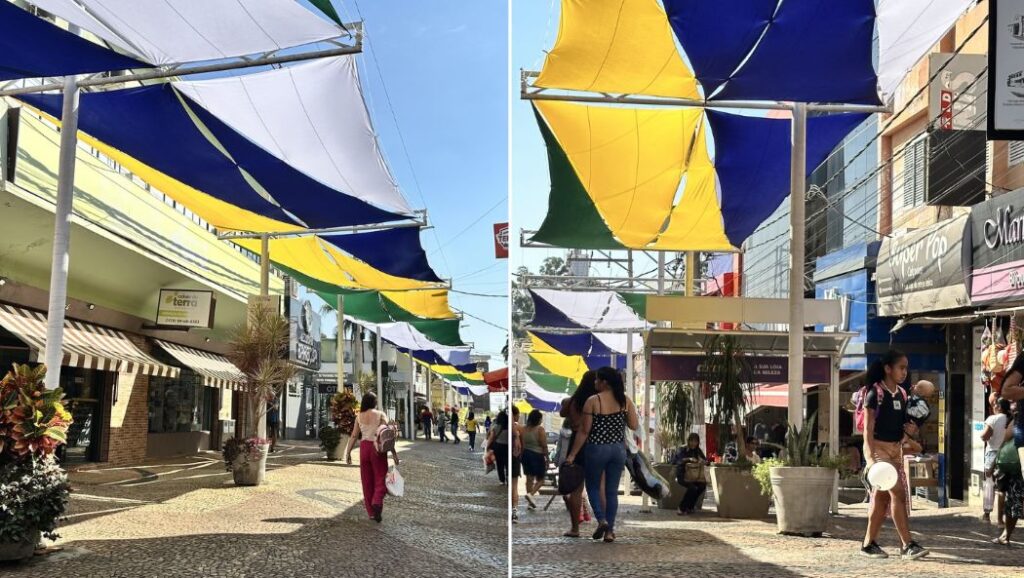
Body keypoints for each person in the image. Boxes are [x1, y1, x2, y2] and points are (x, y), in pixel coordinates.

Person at [860, 349, 929, 560]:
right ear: (888, 369)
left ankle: (868, 544)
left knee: (881, 499)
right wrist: (870, 459)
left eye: (906, 368)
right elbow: (868, 430)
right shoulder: (875, 394)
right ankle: (907, 544)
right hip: (879, 450)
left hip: (896, 450)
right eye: (901, 367)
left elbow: (902, 424)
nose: (904, 372)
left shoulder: (903, 394)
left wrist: (909, 430)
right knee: (898, 493)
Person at [565, 367, 639, 544]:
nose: (595, 382)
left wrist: (572, 455)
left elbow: (584, 431)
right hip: (618, 450)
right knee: (611, 491)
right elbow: (634, 425)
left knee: (593, 487)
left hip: (597, 448)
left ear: (605, 382)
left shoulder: (593, 400)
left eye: (597, 380)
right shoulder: (625, 400)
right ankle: (610, 532)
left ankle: (602, 520)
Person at [344, 392, 400, 523]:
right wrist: (394, 454)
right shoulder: (381, 415)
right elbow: (387, 436)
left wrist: (348, 452)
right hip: (377, 448)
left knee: (366, 481)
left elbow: (354, 435)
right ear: (374, 402)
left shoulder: (359, 416)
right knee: (381, 477)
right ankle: (377, 501)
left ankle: (371, 513)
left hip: (364, 448)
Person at [559, 370, 597, 538]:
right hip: (595, 442)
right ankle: (604, 524)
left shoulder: (572, 402)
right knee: (599, 487)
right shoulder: (597, 402)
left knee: (576, 489)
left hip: (576, 444)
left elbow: (562, 413)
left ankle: (575, 528)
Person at [982, 397, 1011, 523]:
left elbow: (985, 436)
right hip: (1007, 454)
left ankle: (987, 515)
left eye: (994, 404)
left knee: (990, 484)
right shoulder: (1011, 419)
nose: (993, 407)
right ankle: (1001, 518)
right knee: (1002, 488)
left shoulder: (992, 419)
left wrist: (982, 436)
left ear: (998, 407)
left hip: (992, 453)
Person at [672, 433, 708, 515]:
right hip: (682, 475)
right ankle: (681, 508)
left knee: (702, 486)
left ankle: (690, 507)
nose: (693, 443)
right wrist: (689, 459)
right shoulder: (682, 449)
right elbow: (677, 461)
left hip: (694, 476)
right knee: (692, 488)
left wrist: (704, 461)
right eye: (691, 441)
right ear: (688, 441)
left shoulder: (697, 450)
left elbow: (705, 460)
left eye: (695, 441)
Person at [510, 405, 524, 523]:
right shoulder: (518, 428)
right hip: (515, 458)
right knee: (514, 485)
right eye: (518, 415)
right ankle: (514, 511)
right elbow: (523, 446)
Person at [489, 410, 509, 486]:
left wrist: (487, 446)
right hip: (507, 447)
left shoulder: (495, 427)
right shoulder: (509, 427)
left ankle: (502, 480)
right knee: (507, 464)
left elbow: (491, 438)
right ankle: (508, 478)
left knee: (499, 464)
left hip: (498, 447)